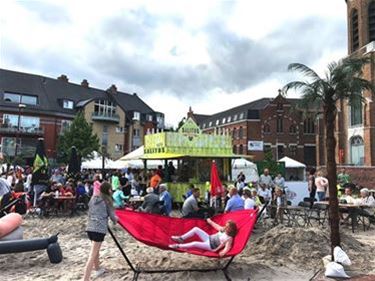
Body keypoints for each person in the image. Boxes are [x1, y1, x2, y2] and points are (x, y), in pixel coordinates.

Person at [83, 182, 118, 281]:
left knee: (96, 251)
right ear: (108, 190)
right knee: (92, 254)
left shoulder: (93, 198)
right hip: (99, 230)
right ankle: (85, 279)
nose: (111, 191)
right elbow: (113, 217)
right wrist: (117, 219)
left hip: (90, 227)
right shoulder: (107, 200)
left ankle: (97, 268)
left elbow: (89, 209)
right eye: (111, 189)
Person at [169, 218, 238, 257]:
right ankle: (181, 238)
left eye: (228, 227)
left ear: (232, 229)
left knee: (195, 243)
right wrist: (210, 221)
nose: (226, 227)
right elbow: (216, 226)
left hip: (210, 246)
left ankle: (178, 246)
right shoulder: (223, 229)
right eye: (226, 225)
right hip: (208, 238)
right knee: (196, 229)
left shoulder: (229, 238)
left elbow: (227, 247)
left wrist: (223, 252)